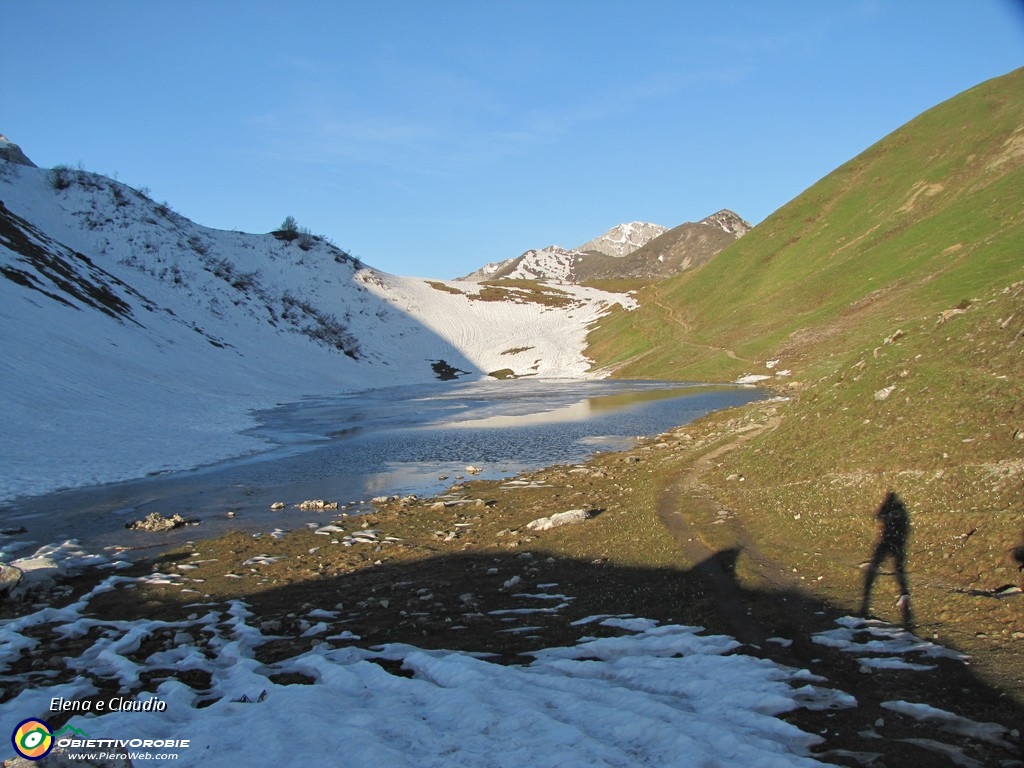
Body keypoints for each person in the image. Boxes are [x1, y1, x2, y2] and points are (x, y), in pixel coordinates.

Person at [860, 491, 913, 628]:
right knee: (897, 569)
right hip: (896, 541)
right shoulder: (899, 509)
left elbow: (879, 516)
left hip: (888, 540)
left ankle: (868, 596)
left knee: (880, 566)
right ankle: (904, 593)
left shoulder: (894, 509)